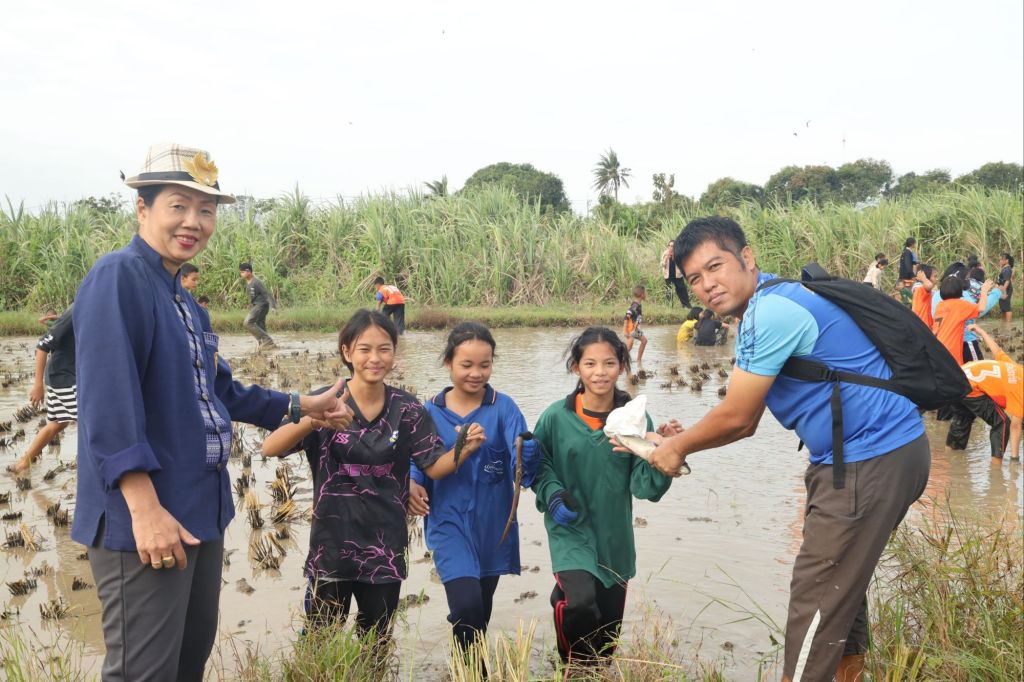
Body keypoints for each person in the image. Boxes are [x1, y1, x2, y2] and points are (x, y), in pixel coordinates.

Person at [72, 143, 354, 682]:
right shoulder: (119, 277)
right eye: (178, 206)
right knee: (143, 673)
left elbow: (219, 389)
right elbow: (107, 404)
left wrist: (302, 405)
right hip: (148, 517)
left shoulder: (183, 299)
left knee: (187, 663)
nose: (193, 222)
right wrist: (145, 509)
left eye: (206, 210)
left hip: (199, 510)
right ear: (143, 208)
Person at [647, 216, 929, 682]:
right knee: (839, 590)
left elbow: (739, 418)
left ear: (747, 257)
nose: (707, 285)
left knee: (814, 601)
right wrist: (677, 441)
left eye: (715, 267)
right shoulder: (771, 301)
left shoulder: (770, 313)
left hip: (868, 460)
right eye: (694, 278)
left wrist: (677, 448)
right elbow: (745, 417)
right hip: (873, 455)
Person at [262, 310, 482, 640]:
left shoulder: (407, 409)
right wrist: (313, 418)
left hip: (384, 548)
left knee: (376, 642)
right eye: (364, 349)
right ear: (347, 351)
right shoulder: (324, 399)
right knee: (321, 640)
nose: (375, 358)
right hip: (331, 547)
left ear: (394, 352)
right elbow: (270, 447)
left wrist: (464, 447)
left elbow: (433, 466)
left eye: (384, 349)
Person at [531, 326, 673, 666]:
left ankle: (596, 669)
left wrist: (664, 452)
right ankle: (573, 667)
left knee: (607, 640)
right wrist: (552, 494)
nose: (600, 372)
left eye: (609, 363)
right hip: (570, 529)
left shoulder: (635, 419)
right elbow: (538, 466)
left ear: (622, 365)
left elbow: (644, 487)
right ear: (576, 367)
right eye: (590, 364)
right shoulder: (555, 417)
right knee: (579, 604)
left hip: (614, 536)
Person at [406, 322, 541, 655]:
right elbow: (417, 460)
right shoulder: (430, 411)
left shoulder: (504, 407)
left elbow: (520, 464)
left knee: (479, 609)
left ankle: (466, 665)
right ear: (448, 363)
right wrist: (412, 482)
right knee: (466, 605)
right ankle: (473, 668)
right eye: (466, 365)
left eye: (485, 364)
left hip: (493, 526)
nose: (476, 373)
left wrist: (529, 454)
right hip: (447, 521)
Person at [9, 307, 76, 473]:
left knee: (57, 424)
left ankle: (23, 463)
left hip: (63, 374)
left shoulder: (84, 310)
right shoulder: (77, 309)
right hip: (65, 377)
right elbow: (42, 345)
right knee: (90, 421)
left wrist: (59, 319)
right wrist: (37, 384)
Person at [946, 324, 1022, 462]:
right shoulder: (1020, 393)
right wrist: (1015, 460)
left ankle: (948, 458)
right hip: (971, 386)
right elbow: (1015, 427)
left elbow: (996, 350)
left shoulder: (1016, 368)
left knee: (963, 418)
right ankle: (996, 469)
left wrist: (981, 331)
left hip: (956, 378)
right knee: (1002, 422)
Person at [933, 275, 995, 365]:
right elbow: (981, 308)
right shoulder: (960, 305)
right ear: (960, 290)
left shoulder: (939, 306)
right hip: (951, 351)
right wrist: (984, 290)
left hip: (938, 350)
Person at [240, 262, 276, 349]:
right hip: (256, 305)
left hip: (261, 305)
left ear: (248, 271)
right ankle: (265, 344)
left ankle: (267, 340)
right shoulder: (248, 283)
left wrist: (273, 306)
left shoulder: (256, 282)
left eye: (242, 272)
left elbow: (266, 293)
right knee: (260, 324)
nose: (241, 274)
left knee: (247, 322)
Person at [660, 240, 691, 307]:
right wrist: (666, 258)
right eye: (669, 246)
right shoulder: (665, 253)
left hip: (677, 275)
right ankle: (669, 306)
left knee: (682, 289)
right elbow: (662, 264)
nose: (671, 247)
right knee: (668, 291)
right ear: (668, 246)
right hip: (668, 275)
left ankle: (686, 305)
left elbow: (682, 263)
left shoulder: (678, 253)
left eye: (672, 246)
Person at [623, 285, 648, 363]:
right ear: (642, 295)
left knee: (644, 341)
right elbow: (627, 316)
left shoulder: (638, 304)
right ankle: (620, 361)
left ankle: (638, 360)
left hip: (636, 329)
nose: (646, 294)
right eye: (645, 293)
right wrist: (625, 330)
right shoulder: (635, 306)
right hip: (631, 329)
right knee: (628, 348)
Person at [910, 264, 937, 328]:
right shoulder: (920, 288)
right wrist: (923, 278)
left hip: (922, 324)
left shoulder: (920, 288)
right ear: (927, 277)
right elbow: (929, 285)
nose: (937, 279)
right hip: (923, 324)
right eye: (935, 276)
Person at [897, 237, 918, 305]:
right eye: (915, 243)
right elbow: (908, 265)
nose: (915, 244)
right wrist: (912, 275)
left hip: (904, 276)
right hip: (907, 277)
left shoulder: (905, 252)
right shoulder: (908, 253)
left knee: (905, 294)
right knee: (908, 294)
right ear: (912, 244)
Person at [997, 253, 1014, 323]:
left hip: (1006, 290)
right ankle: (1004, 323)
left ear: (1007, 260)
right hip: (1002, 290)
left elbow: (1007, 281)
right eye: (999, 260)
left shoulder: (1007, 269)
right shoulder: (1004, 269)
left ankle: (1008, 325)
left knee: (1007, 307)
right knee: (1003, 307)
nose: (1000, 261)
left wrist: (1003, 291)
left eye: (1001, 259)